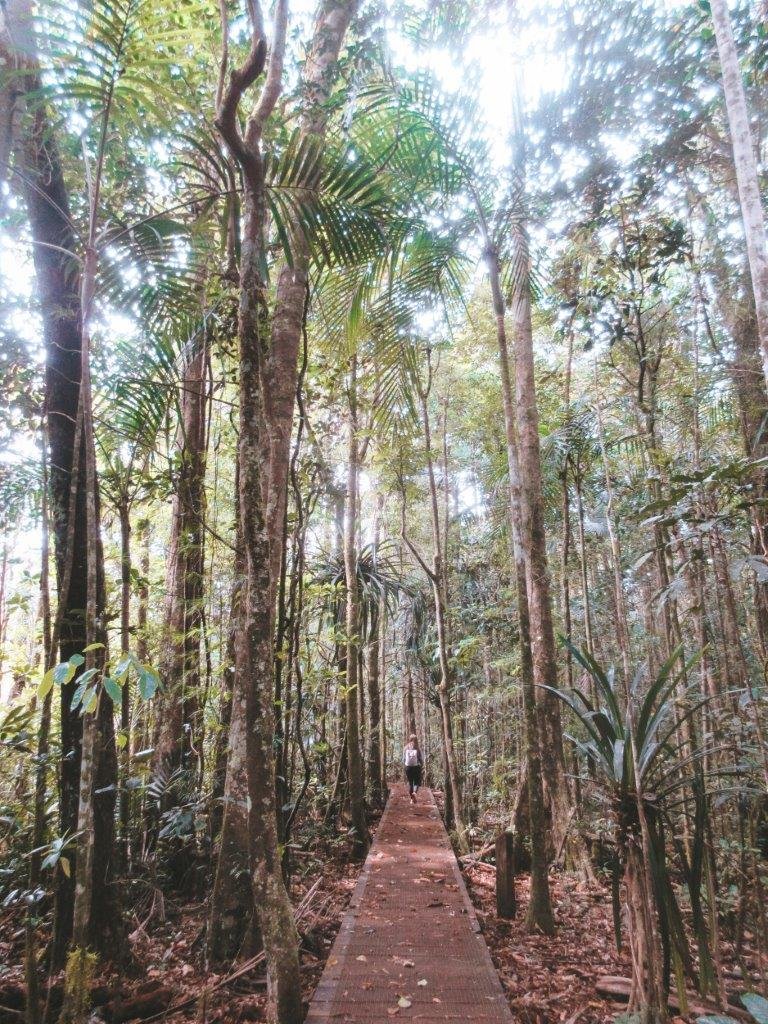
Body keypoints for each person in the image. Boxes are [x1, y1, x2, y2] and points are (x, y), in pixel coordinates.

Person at [403, 734, 423, 803]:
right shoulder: (417, 748)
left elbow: (404, 759)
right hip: (416, 767)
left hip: (408, 767)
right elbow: (420, 759)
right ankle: (414, 792)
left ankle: (411, 799)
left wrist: (405, 766)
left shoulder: (405, 748)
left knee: (410, 783)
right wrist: (421, 765)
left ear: (409, 739)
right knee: (416, 782)